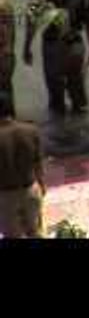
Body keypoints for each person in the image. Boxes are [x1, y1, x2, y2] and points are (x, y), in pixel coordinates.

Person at [24, 0, 89, 118]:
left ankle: (80, 127)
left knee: (78, 90)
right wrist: (27, 48)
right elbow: (32, 23)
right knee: (55, 91)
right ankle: (58, 129)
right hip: (51, 46)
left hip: (74, 46)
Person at [0, 92, 44, 239]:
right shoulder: (31, 130)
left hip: (5, 196)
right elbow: (38, 163)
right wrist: (42, 185)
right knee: (35, 233)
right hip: (31, 189)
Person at [0, 0, 15, 117]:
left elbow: (4, 32)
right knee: (6, 89)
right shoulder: (5, 3)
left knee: (4, 90)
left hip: (3, 54)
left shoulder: (2, 5)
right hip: (7, 54)